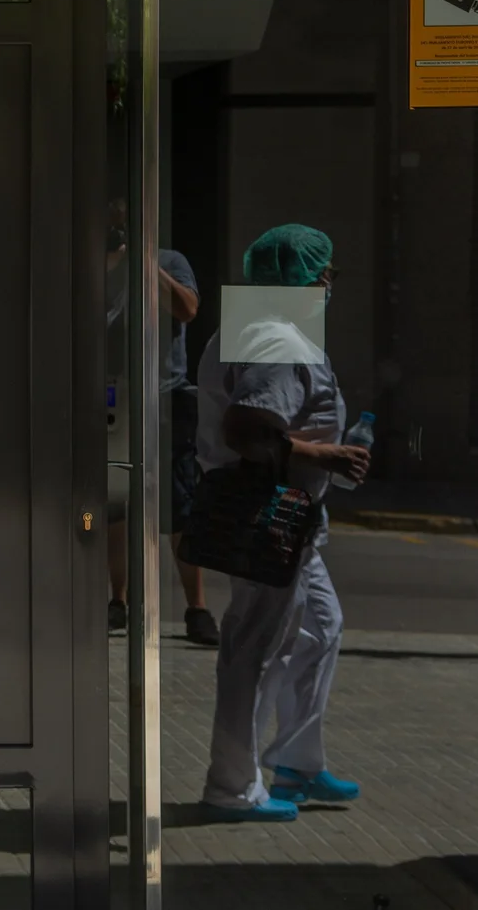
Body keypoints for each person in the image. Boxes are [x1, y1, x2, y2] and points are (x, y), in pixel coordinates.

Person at [196, 224, 369, 823]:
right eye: (327, 274)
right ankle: (231, 787)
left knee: (321, 627)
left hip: (291, 516)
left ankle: (296, 760)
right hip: (270, 514)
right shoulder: (277, 341)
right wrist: (326, 455)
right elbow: (246, 429)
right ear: (306, 278)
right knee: (253, 649)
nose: (329, 285)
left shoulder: (253, 328)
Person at [104, 207, 220, 646]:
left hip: (165, 395)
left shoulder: (169, 261)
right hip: (115, 393)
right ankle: (119, 600)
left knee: (179, 504)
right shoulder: (100, 267)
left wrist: (144, 264)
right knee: (117, 500)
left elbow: (187, 309)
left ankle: (197, 607)